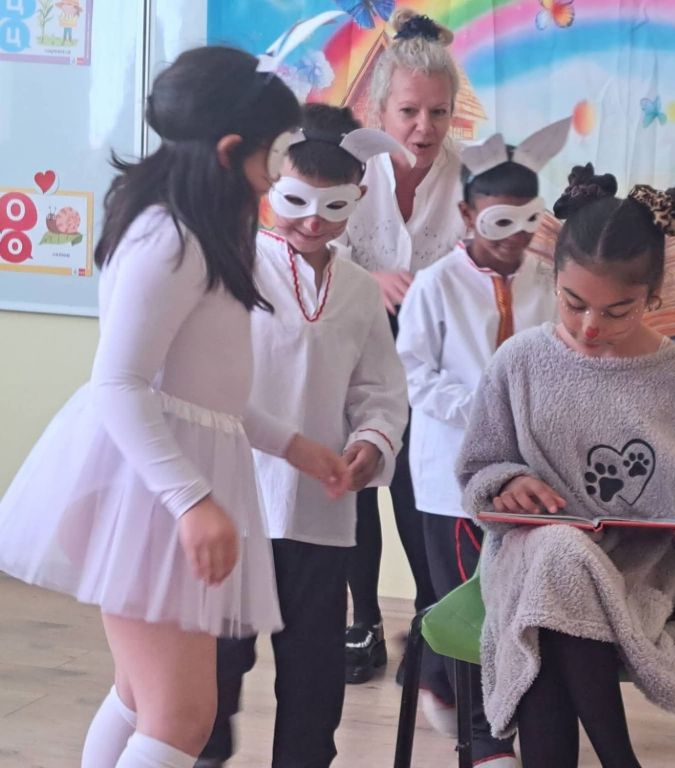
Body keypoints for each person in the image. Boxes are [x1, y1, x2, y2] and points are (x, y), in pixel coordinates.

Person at [0, 47, 353, 768]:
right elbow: (119, 383)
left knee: (143, 699)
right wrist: (191, 501)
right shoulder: (171, 237)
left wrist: (290, 445)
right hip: (148, 494)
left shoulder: (200, 232)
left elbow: (206, 394)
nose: (277, 174)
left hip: (160, 485)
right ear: (230, 152)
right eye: (272, 155)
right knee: (183, 717)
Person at [456, 163, 675, 768]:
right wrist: (506, 483)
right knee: (557, 554)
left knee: (555, 601)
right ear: (554, 280)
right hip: (526, 562)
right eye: (573, 303)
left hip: (637, 572)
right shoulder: (519, 361)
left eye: (618, 311)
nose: (590, 326)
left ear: (653, 296)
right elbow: (478, 470)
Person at [197, 104, 409, 768]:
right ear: (271, 185)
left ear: (359, 199)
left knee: (314, 672)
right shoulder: (231, 266)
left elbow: (380, 388)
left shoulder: (358, 291)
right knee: (218, 662)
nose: (313, 222)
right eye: (296, 201)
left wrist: (372, 441)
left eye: (333, 205)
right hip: (237, 501)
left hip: (322, 508)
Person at [395, 120, 567, 760]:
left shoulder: (546, 281)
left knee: (514, 600)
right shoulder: (436, 284)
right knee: (464, 599)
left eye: (527, 221)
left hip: (529, 474)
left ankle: (447, 684)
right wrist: (485, 412)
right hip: (451, 476)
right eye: (500, 222)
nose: (515, 237)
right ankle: (483, 736)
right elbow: (415, 372)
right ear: (468, 215)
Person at [341, 9, 468, 684]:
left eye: (438, 113)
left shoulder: (467, 176)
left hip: (430, 353)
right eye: (409, 111)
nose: (424, 127)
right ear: (380, 110)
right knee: (358, 479)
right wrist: (371, 278)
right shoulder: (350, 169)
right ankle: (362, 622)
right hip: (351, 344)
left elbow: (481, 265)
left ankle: (430, 619)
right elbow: (309, 248)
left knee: (421, 483)